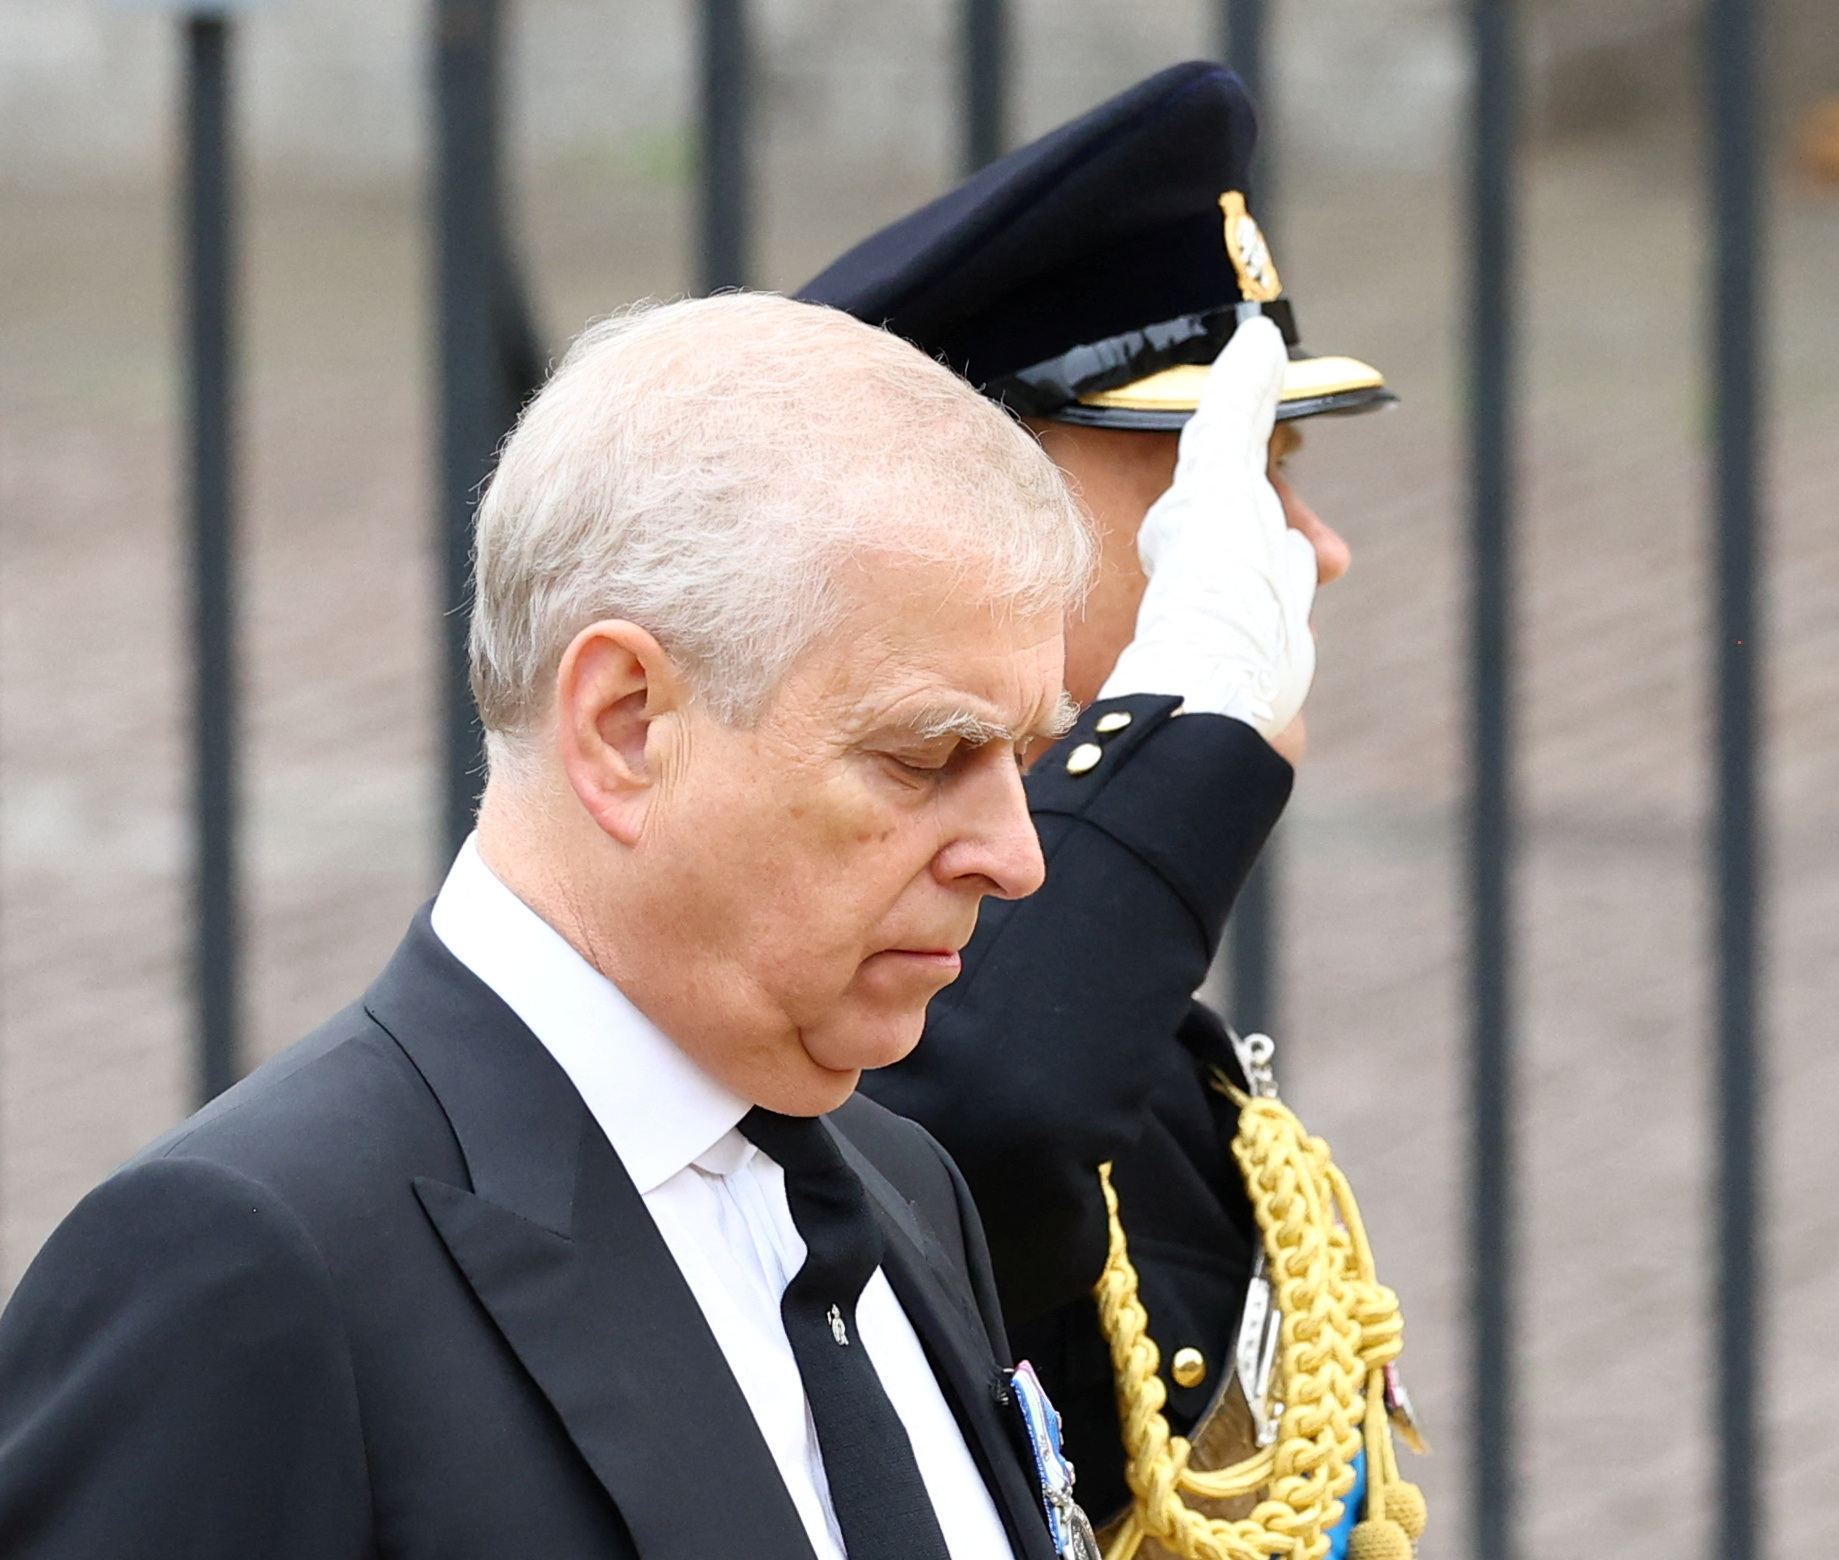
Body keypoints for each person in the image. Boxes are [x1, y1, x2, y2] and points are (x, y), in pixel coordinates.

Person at [0, 295, 1107, 1560]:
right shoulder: (249, 1268)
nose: (1015, 856)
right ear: (626, 725)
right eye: (929, 755)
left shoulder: (899, 1187)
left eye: (1022, 756)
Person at [802, 63, 1427, 1560]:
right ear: (961, 509)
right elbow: (970, 1131)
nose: (1308, 548)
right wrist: (1179, 744)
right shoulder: (849, 972)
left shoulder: (1088, 962)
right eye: (1221, 476)